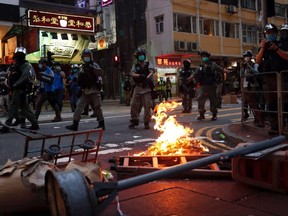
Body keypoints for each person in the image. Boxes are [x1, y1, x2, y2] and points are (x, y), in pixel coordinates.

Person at [255, 23, 288, 135]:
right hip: (268, 79)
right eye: (268, 33)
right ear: (265, 34)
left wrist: (277, 49)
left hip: (282, 78)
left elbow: (286, 56)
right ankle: (275, 127)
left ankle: (285, 126)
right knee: (271, 104)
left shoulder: (281, 43)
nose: (270, 35)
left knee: (285, 102)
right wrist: (263, 48)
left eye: (272, 33)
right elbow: (257, 60)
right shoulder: (264, 46)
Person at [0, 47, 39, 132]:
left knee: (13, 106)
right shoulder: (16, 66)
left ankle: (7, 125)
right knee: (25, 107)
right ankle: (34, 123)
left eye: (18, 56)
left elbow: (24, 77)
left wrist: (15, 85)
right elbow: (8, 74)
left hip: (19, 89)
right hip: (17, 89)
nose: (16, 58)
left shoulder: (25, 65)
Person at [66, 49, 105, 131]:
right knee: (79, 106)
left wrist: (92, 69)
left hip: (94, 90)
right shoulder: (82, 67)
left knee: (97, 107)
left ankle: (101, 124)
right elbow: (77, 77)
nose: (86, 58)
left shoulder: (95, 65)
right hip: (85, 91)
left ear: (91, 57)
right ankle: (75, 124)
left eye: (87, 56)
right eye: (85, 56)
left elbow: (100, 74)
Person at [194, 51, 228, 121]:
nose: (204, 58)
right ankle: (201, 114)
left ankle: (214, 114)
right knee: (200, 99)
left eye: (205, 56)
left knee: (213, 100)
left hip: (212, 85)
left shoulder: (213, 65)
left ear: (208, 57)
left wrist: (227, 71)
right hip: (203, 85)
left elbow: (220, 69)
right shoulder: (200, 67)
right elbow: (195, 74)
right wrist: (189, 79)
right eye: (203, 57)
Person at [128, 47, 155, 129]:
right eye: (139, 55)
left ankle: (146, 122)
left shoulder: (148, 64)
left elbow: (152, 71)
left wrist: (147, 78)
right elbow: (132, 73)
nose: (141, 57)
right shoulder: (135, 66)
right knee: (133, 104)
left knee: (147, 106)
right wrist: (140, 75)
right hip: (138, 88)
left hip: (146, 88)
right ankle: (134, 119)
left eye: (142, 55)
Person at [240, 50, 264, 127]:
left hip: (253, 86)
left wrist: (250, 67)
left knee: (254, 103)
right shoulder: (244, 66)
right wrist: (241, 68)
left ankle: (260, 119)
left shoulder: (255, 65)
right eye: (245, 57)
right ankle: (251, 116)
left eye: (247, 56)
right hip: (245, 86)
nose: (246, 58)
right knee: (246, 103)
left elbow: (257, 73)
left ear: (251, 57)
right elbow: (241, 76)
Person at [34, 58, 62, 122]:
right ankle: (35, 118)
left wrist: (44, 78)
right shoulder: (41, 71)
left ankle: (58, 116)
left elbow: (51, 80)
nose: (40, 65)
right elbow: (41, 83)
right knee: (38, 104)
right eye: (39, 63)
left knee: (53, 104)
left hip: (49, 91)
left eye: (41, 63)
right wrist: (38, 90)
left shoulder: (49, 71)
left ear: (45, 64)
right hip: (43, 91)